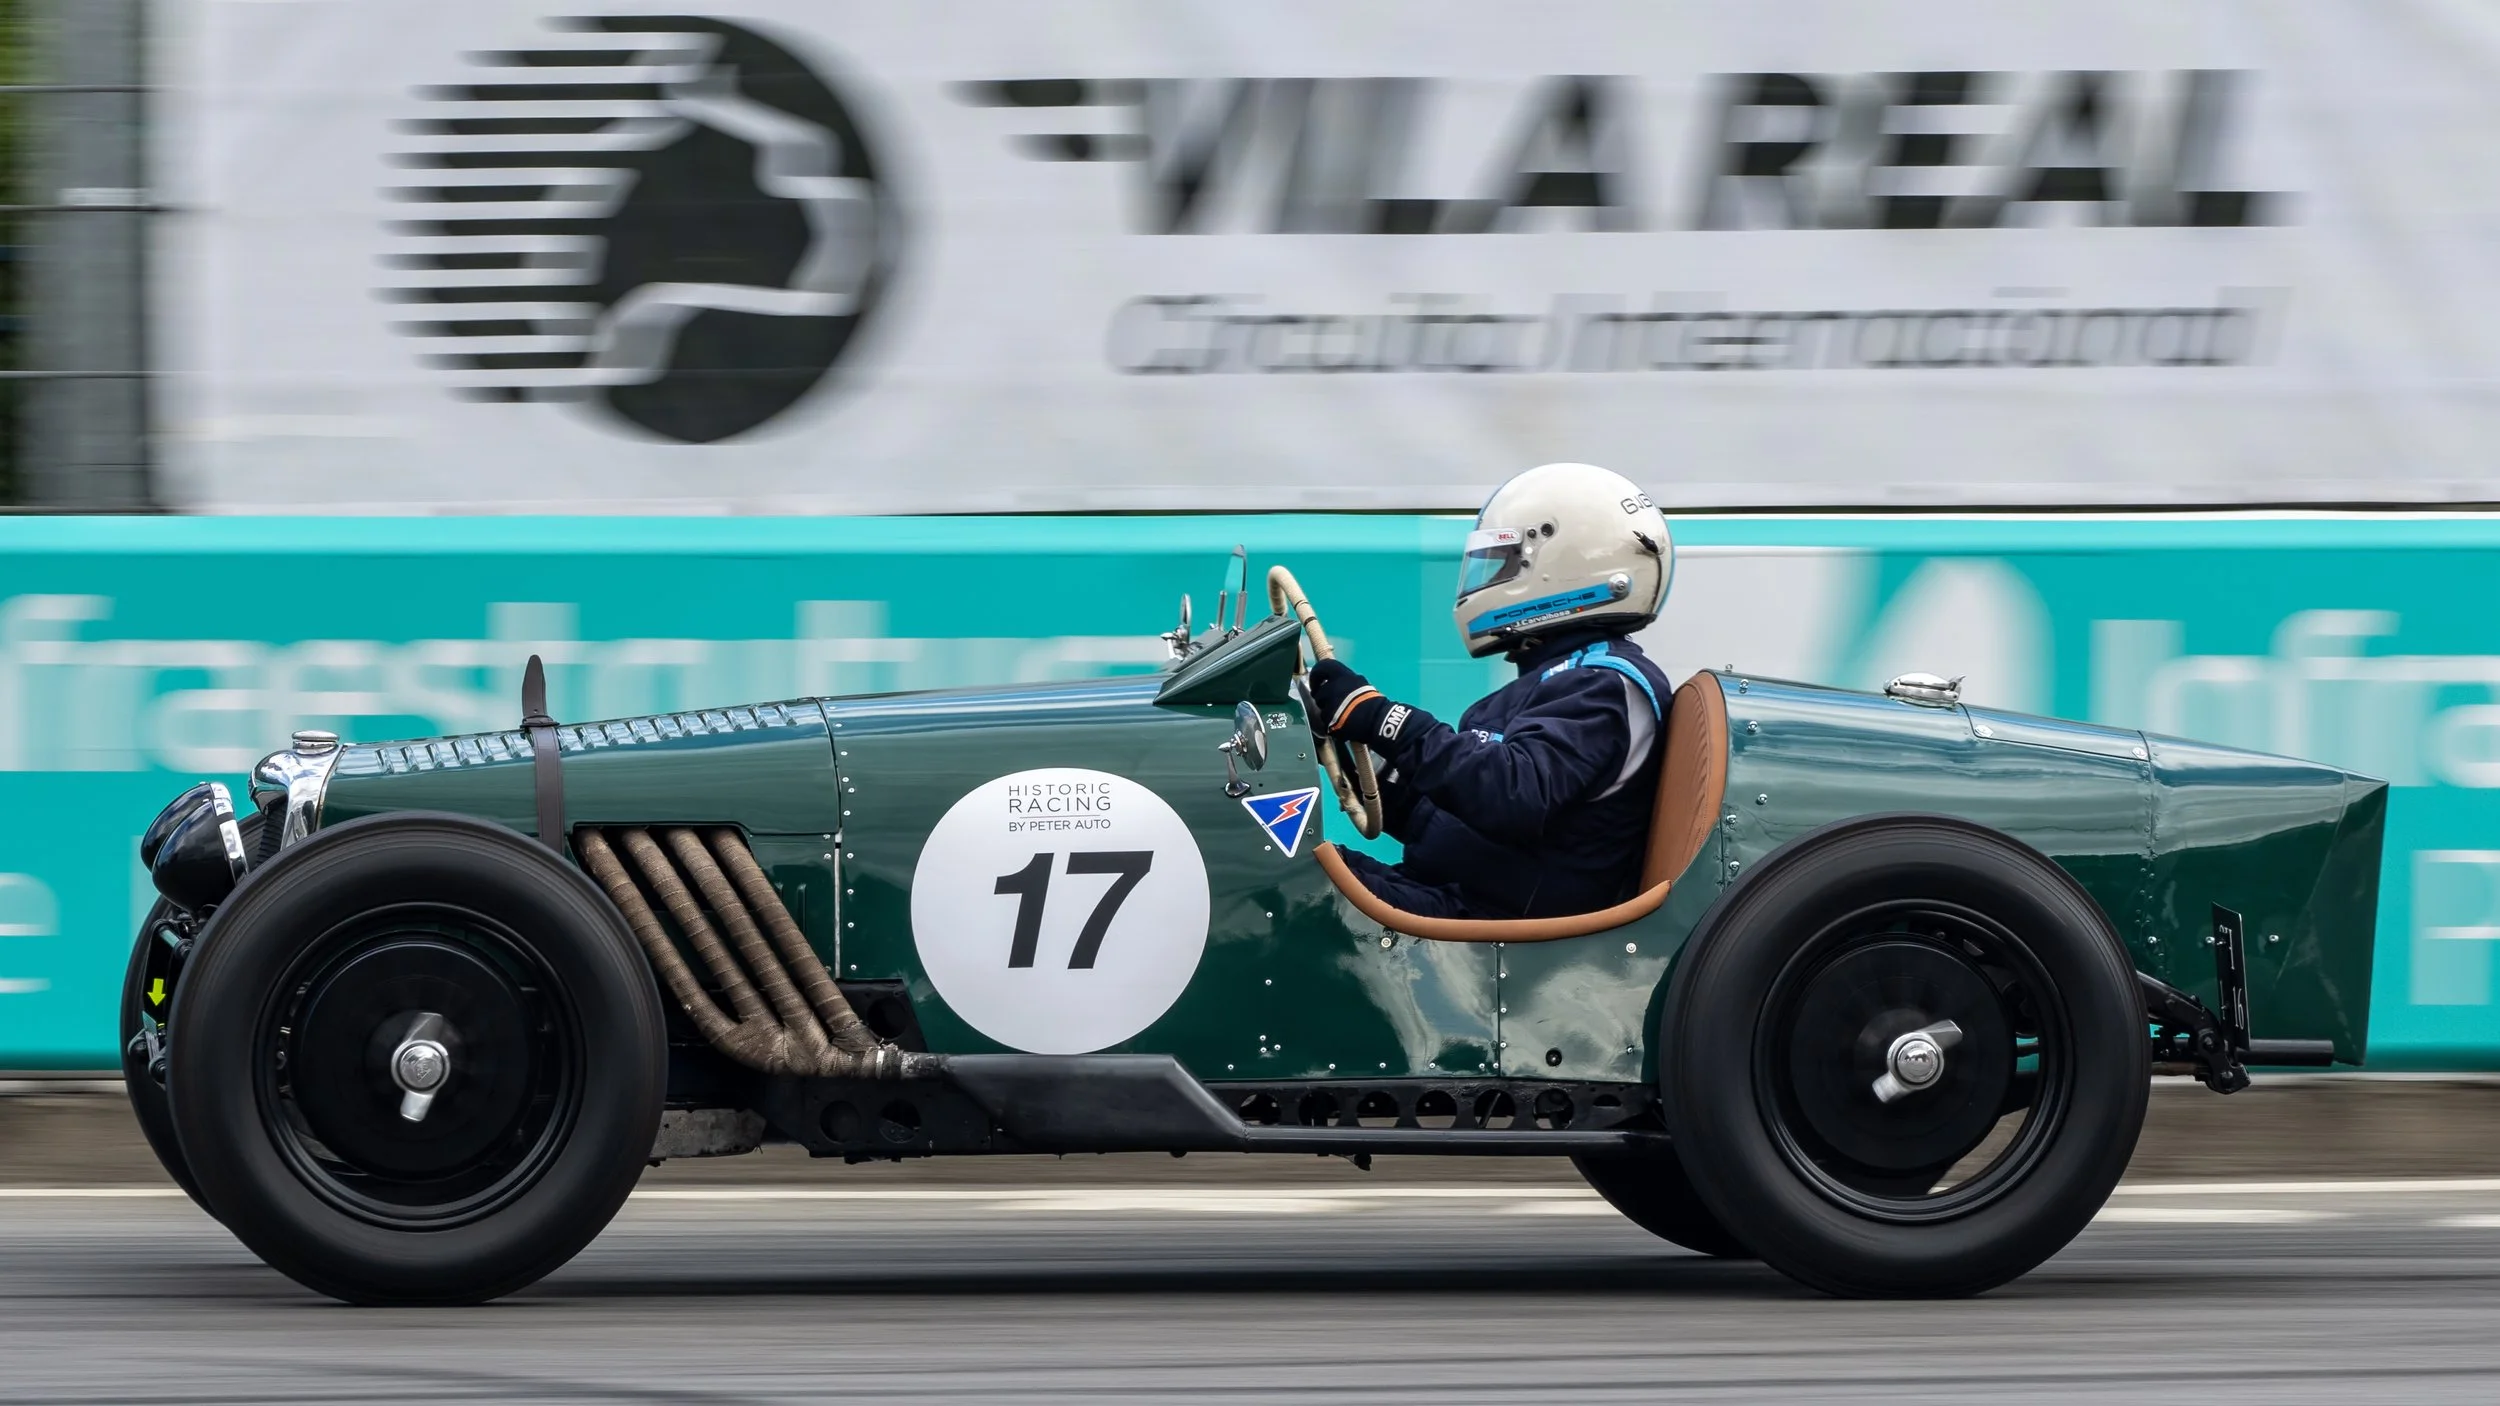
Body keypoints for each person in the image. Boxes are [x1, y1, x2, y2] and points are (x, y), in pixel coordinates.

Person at [1305, 462, 1677, 920]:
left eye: (1502, 562)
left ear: (1561, 568)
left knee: (1287, 890)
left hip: (1495, 924)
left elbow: (1511, 795)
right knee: (1283, 863)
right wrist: (1350, 746)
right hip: (1457, 891)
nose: (1487, 579)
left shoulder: (1605, 684)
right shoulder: (1559, 676)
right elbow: (1455, 818)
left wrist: (1384, 720)